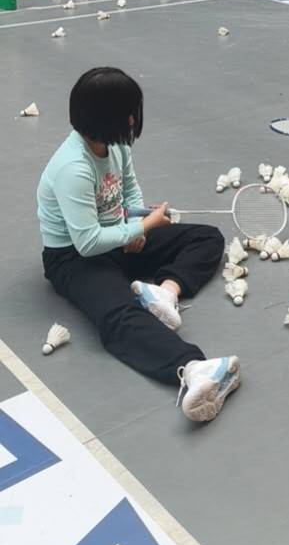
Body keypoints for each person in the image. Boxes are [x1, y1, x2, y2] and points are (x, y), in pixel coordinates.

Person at [37, 67, 240, 424]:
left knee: (207, 237)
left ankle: (164, 292)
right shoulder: (73, 168)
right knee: (117, 316)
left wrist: (137, 226)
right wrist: (142, 226)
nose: (133, 119)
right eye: (127, 112)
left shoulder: (115, 145)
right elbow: (87, 243)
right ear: (105, 117)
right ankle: (195, 370)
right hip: (74, 258)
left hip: (118, 233)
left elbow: (129, 188)